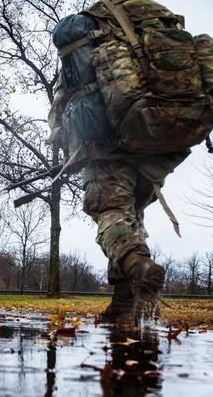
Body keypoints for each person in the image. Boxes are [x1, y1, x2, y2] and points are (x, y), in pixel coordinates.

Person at [48, 80, 188, 323]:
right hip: (155, 154)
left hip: (108, 151)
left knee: (109, 212)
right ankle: (123, 301)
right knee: (131, 219)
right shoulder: (146, 49)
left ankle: (138, 266)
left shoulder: (91, 50)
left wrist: (70, 150)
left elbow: (61, 110)